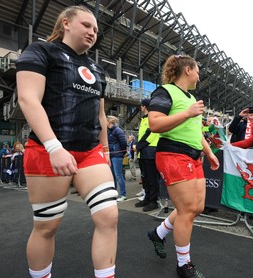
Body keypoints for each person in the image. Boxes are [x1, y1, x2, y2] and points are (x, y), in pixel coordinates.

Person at [16, 6, 118, 278]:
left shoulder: (97, 69)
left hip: (90, 152)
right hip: (47, 150)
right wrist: (54, 147)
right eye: (86, 25)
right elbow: (28, 99)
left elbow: (100, 114)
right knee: (47, 227)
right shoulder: (40, 51)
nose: (92, 32)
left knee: (109, 217)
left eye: (95, 29)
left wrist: (105, 150)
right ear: (66, 24)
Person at [146, 54, 219, 278]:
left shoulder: (191, 98)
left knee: (195, 208)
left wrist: (209, 152)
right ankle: (184, 264)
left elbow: (195, 131)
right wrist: (188, 113)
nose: (199, 75)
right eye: (197, 70)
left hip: (193, 157)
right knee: (187, 211)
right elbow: (155, 123)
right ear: (187, 70)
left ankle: (158, 233)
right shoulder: (164, 91)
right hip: (173, 154)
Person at [134, 98, 161, 211]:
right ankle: (147, 198)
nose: (141, 107)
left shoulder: (153, 118)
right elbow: (141, 135)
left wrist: (138, 146)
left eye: (141, 105)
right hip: (143, 152)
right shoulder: (144, 119)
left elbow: (152, 134)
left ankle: (153, 201)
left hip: (150, 152)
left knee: (152, 178)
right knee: (145, 178)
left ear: (144, 106)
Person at [107, 115, 128, 201]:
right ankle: (114, 193)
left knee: (118, 175)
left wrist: (122, 152)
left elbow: (123, 142)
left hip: (117, 155)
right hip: (112, 155)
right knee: (113, 176)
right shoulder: (110, 131)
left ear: (110, 121)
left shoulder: (117, 130)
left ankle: (123, 194)